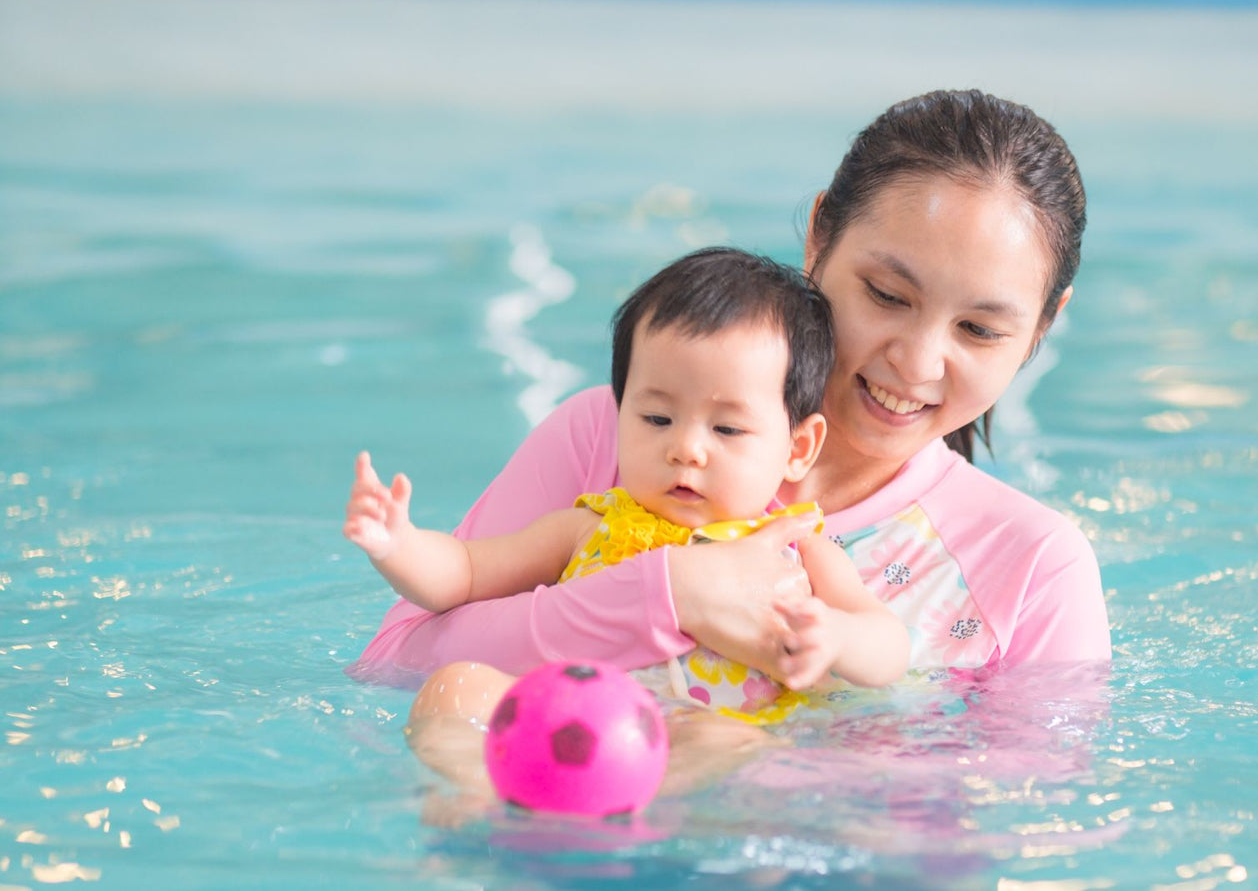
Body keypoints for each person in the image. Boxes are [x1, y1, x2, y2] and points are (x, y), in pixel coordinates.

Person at [351, 89, 1110, 709]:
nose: (915, 362)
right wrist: (667, 597)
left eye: (978, 329)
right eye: (885, 294)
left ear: (1045, 326)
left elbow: (1032, 810)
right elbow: (395, 666)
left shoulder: (1035, 567)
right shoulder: (617, 432)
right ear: (819, 237)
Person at [346, 248, 909, 722]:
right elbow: (464, 574)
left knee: (720, 739)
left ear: (797, 448)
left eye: (728, 428)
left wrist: (833, 635)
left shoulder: (798, 551)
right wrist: (398, 544)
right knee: (455, 691)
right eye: (657, 419)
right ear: (619, 415)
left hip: (700, 734)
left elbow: (889, 647)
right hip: (574, 721)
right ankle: (466, 825)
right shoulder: (588, 525)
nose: (685, 448)